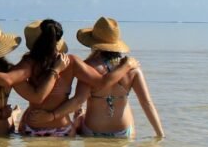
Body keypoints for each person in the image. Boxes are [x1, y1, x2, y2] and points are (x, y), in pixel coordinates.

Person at [0, 19, 139, 137]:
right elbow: (102, 82)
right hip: (62, 129)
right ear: (58, 40)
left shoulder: (28, 63)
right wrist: (126, 66)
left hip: (31, 127)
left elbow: (8, 80)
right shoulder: (71, 62)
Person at [33, 17, 164, 138]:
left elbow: (78, 100)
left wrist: (52, 116)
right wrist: (160, 135)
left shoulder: (88, 67)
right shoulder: (132, 69)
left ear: (93, 43)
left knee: (80, 116)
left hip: (92, 130)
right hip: (124, 131)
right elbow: (147, 103)